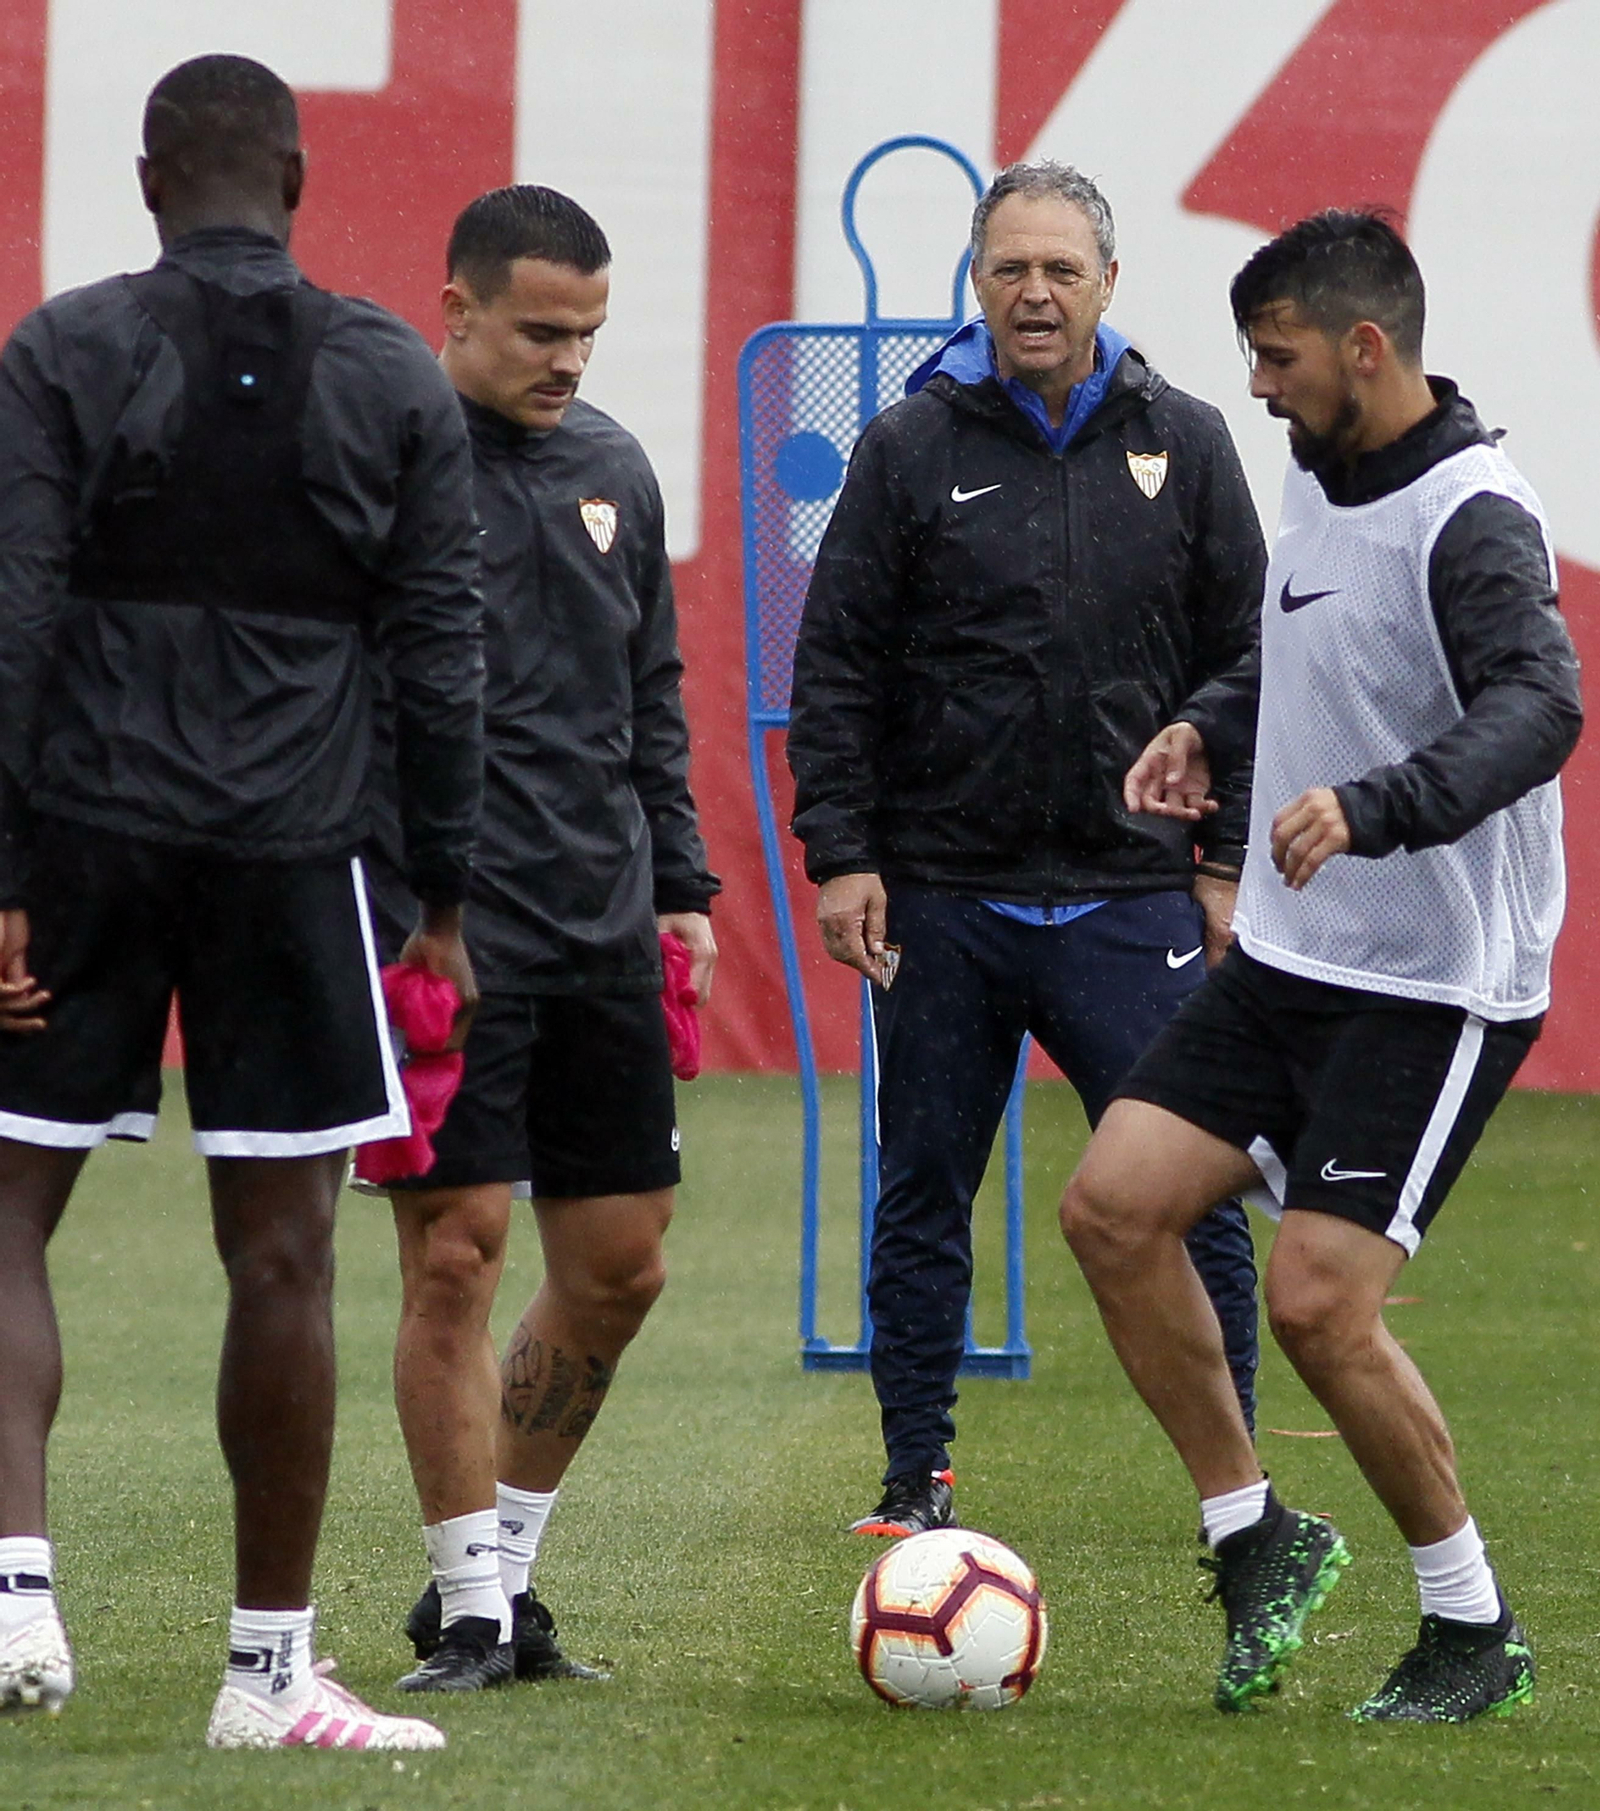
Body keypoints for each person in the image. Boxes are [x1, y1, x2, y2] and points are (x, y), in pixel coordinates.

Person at [0, 57, 487, 1749]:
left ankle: (14, 1590)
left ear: (149, 182)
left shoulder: (60, 348)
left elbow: (13, 615)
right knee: (282, 1258)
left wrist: (1, 875)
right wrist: (440, 895)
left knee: (4, 1210)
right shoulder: (392, 379)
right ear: (292, 174)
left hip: (81, 836)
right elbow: (444, 656)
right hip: (299, 849)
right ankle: (267, 1677)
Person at [1059, 210, 1582, 1720]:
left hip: (1437, 983)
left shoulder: (1474, 513)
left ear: (1367, 347)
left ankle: (1471, 1629)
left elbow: (1540, 706)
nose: (1262, 387)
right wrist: (1208, 727)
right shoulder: (1323, 473)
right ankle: (1255, 1534)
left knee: (1316, 1307)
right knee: (1111, 1211)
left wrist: (1374, 807)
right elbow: (1307, 649)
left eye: (1280, 359)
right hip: (1297, 961)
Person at [787, 160, 1264, 1537]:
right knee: (922, 1190)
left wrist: (1222, 856)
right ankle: (913, 1475)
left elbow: (1245, 657)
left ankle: (1236, 1495)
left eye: (1062, 269)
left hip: (1132, 899)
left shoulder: (1187, 438)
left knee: (1199, 1198)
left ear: (1110, 283)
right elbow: (839, 669)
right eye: (1011, 268)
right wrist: (844, 853)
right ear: (977, 284)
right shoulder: (906, 449)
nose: (1036, 292)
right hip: (943, 895)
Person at [358, 185, 719, 1692]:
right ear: (455, 311)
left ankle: (493, 1578)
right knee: (457, 1254)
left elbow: (652, 696)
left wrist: (682, 887)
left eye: (588, 334)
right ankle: (479, 1612)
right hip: (442, 931)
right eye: (539, 331)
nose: (567, 360)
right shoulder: (384, 468)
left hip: (600, 923)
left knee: (620, 1265)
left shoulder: (613, 470)